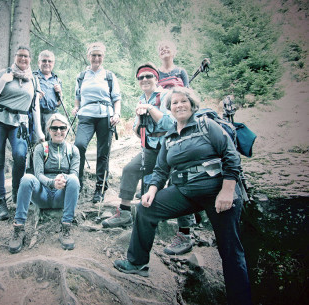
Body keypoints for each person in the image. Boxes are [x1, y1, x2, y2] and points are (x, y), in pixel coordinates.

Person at [113, 87, 252, 305]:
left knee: (230, 250)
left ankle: (240, 299)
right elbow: (160, 170)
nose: (179, 105)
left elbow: (230, 155)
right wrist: (151, 191)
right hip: (185, 192)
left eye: (183, 101)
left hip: (217, 193)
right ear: (169, 109)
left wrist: (227, 190)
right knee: (145, 208)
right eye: (174, 103)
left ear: (192, 104)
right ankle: (137, 263)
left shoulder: (207, 125)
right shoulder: (169, 136)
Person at [102, 63, 174, 228]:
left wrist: (150, 108)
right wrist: (140, 117)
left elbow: (169, 124)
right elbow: (136, 130)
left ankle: (184, 228)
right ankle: (125, 211)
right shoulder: (141, 99)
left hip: (168, 147)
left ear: (156, 78)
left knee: (172, 180)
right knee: (130, 169)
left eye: (148, 76)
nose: (144, 79)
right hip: (149, 147)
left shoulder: (166, 96)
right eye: (141, 77)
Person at [0, 46, 45, 221]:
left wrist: (40, 132)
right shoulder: (3, 73)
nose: (23, 59)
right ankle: (0, 200)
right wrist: (4, 80)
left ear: (30, 58)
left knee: (20, 155)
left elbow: (35, 107)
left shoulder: (33, 79)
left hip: (19, 122)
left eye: (26, 56)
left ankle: (17, 191)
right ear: (15, 57)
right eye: (20, 56)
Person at [9, 113, 80, 253]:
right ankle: (18, 229)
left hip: (62, 195)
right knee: (27, 178)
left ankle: (66, 228)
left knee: (74, 180)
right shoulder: (41, 148)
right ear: (49, 130)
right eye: (54, 128)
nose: (58, 131)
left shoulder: (73, 150)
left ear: (67, 129)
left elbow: (74, 174)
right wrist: (52, 183)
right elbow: (38, 174)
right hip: (43, 195)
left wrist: (62, 179)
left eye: (62, 128)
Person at [157, 39, 195, 255]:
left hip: (179, 125)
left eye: (167, 47)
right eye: (161, 48)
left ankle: (185, 231)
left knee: (180, 173)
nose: (164, 50)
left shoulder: (181, 71)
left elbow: (187, 96)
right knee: (161, 170)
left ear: (174, 51)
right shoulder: (155, 73)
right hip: (162, 127)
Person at [72, 42, 121, 203]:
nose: (96, 58)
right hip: (86, 115)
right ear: (89, 57)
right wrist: (76, 108)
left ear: (103, 57)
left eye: (99, 55)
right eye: (94, 55)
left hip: (106, 115)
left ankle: (100, 188)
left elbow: (116, 99)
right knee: (79, 146)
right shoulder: (81, 76)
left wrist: (117, 114)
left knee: (103, 153)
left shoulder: (109, 76)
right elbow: (77, 97)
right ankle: (76, 184)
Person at [34, 50, 63, 139]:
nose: (47, 63)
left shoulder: (57, 80)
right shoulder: (33, 77)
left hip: (52, 115)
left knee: (52, 143)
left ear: (53, 63)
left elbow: (58, 104)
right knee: (37, 143)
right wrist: (35, 97)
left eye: (49, 61)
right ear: (39, 62)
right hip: (36, 115)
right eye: (44, 61)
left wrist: (60, 93)